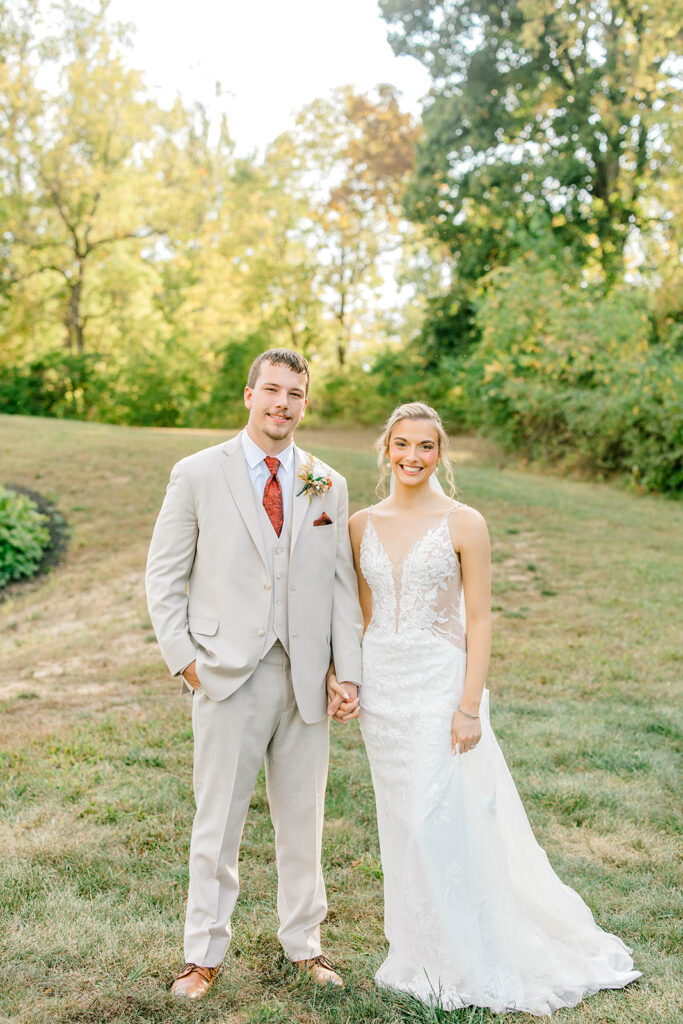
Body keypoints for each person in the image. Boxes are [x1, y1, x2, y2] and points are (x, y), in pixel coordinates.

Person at [333, 401, 640, 1016]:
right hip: (385, 694)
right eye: (402, 445)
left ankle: (469, 956)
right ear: (385, 450)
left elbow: (478, 619)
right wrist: (349, 680)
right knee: (403, 827)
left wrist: (469, 705)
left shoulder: (465, 522)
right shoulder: (360, 523)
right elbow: (363, 615)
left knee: (434, 818)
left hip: (440, 686)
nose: (412, 457)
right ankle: (420, 952)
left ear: (440, 453)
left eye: (425, 446)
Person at [146, 349, 362, 999]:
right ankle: (202, 954)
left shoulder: (325, 483)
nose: (282, 403)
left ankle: (305, 945)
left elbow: (339, 583)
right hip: (224, 675)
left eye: (294, 393)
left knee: (305, 822)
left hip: (305, 679)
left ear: (305, 403)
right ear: (248, 396)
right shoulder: (195, 474)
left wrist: (345, 672)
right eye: (271, 390)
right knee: (217, 825)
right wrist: (186, 663)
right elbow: (164, 576)